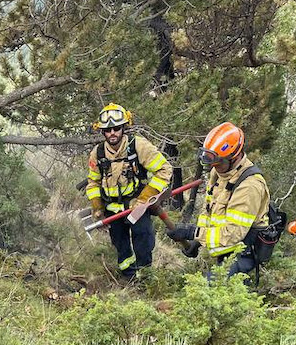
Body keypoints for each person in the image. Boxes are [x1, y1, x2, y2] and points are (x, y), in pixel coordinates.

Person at [167, 122, 272, 282]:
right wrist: (197, 241)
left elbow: (233, 234)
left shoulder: (249, 186)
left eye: (219, 162)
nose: (215, 166)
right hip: (225, 249)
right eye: (212, 163)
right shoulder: (219, 173)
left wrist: (193, 232)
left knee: (207, 292)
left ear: (235, 157)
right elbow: (207, 210)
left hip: (244, 253)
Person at [84, 103, 174, 279]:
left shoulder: (138, 146)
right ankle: (129, 279)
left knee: (143, 240)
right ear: (102, 131)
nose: (112, 133)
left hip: (137, 207)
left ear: (124, 127)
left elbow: (164, 170)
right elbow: (93, 182)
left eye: (116, 128)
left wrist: (145, 197)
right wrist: (97, 207)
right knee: (121, 246)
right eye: (108, 130)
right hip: (112, 209)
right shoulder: (98, 153)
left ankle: (145, 277)